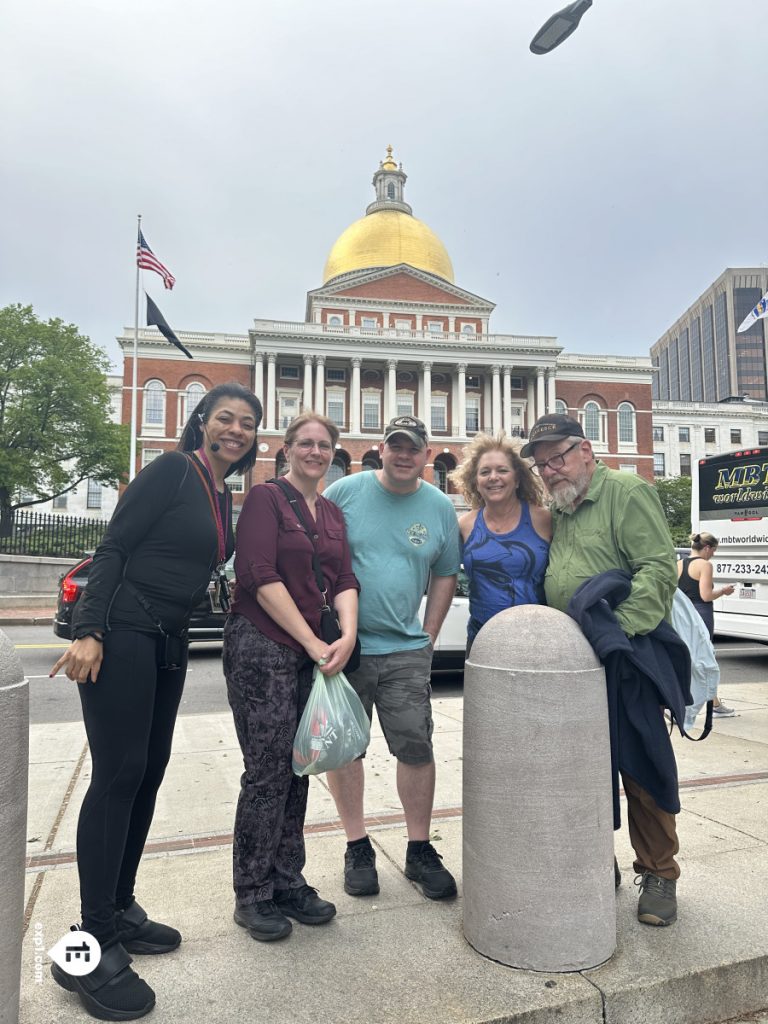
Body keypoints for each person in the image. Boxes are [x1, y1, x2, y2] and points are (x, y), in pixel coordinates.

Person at [49, 382, 262, 1020]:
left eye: (247, 424)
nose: (236, 429)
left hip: (169, 640)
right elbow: (114, 545)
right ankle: (94, 937)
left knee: (147, 775)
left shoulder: (221, 494)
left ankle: (118, 906)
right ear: (202, 421)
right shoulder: (173, 469)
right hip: (123, 631)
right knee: (117, 776)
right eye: (225, 417)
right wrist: (89, 629)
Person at [521, 413, 687, 928]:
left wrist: (617, 635)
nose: (550, 469)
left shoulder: (625, 491)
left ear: (586, 450)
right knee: (583, 771)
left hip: (625, 655)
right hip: (575, 664)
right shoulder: (563, 506)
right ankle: (599, 859)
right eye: (542, 463)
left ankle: (659, 873)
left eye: (558, 457)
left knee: (641, 765)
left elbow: (659, 569)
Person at [222, 411, 359, 942]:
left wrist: (345, 636)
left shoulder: (329, 510)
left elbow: (344, 576)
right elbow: (258, 574)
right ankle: (251, 890)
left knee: (301, 765)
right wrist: (311, 640)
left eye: (324, 445)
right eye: (305, 443)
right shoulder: (265, 499)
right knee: (266, 771)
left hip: (315, 649)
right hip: (264, 645)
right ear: (286, 449)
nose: (315, 452)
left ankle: (287, 879)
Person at [323, 415, 460, 901]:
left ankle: (419, 848)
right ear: (381, 449)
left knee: (416, 748)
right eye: (395, 446)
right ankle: (357, 845)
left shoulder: (439, 507)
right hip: (347, 648)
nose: (404, 455)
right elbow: (315, 557)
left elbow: (446, 573)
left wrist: (430, 634)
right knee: (346, 750)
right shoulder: (345, 494)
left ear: (426, 455)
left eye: (413, 448)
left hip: (406, 651)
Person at [450, 431, 551, 652]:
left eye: (502, 470)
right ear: (475, 481)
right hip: (482, 640)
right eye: (485, 472)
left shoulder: (544, 520)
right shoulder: (465, 525)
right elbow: (445, 575)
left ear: (517, 479)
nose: (493, 477)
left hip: (538, 640)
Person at [677, 532, 736, 717]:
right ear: (707, 548)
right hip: (701, 613)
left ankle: (709, 702)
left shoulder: (678, 564)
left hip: (682, 614)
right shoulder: (705, 565)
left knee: (688, 657)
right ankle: (714, 705)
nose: (713, 555)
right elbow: (705, 596)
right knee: (706, 658)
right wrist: (723, 591)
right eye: (714, 551)